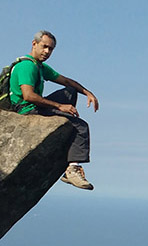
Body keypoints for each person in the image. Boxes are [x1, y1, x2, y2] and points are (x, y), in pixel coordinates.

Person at [10, 30, 99, 190]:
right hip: (27, 111)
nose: (47, 52)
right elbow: (28, 96)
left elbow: (66, 81)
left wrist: (87, 92)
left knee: (69, 91)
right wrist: (59, 106)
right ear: (34, 44)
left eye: (50, 49)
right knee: (80, 126)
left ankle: (63, 124)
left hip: (35, 106)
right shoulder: (27, 66)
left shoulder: (40, 67)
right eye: (44, 47)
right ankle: (72, 170)